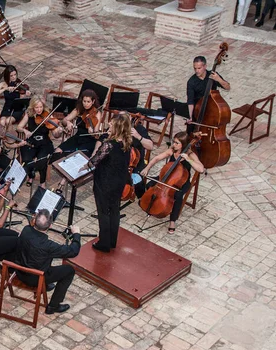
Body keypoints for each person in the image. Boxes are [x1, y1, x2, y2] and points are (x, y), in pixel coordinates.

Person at [78, 113, 132, 252]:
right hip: (119, 181)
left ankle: (104, 243)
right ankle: (112, 241)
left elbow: (94, 161)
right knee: (114, 210)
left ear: (117, 128)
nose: (109, 125)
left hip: (105, 182)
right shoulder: (126, 143)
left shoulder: (108, 145)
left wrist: (83, 166)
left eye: (111, 124)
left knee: (103, 212)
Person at [16, 209, 80, 314]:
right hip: (35, 278)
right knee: (69, 270)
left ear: (34, 220)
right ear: (50, 226)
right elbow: (73, 251)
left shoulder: (26, 229)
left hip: (20, 272)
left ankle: (48, 284)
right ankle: (53, 306)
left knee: (41, 261)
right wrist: (76, 235)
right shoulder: (48, 246)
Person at [140, 131, 205, 234]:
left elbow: (201, 169)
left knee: (178, 196)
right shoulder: (172, 150)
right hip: (166, 177)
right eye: (173, 142)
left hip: (181, 181)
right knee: (149, 185)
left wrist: (188, 160)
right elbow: (157, 158)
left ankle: (172, 221)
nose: (173, 144)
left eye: (176, 143)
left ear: (183, 144)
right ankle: (155, 204)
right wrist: (147, 168)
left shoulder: (190, 154)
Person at [52, 89, 104, 192]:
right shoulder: (78, 109)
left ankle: (61, 185)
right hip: (78, 137)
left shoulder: (97, 113)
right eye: (84, 101)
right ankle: (64, 172)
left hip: (89, 141)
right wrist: (68, 123)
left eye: (88, 102)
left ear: (93, 102)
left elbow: (96, 133)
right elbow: (64, 120)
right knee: (57, 152)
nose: (86, 104)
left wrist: (92, 130)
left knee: (75, 159)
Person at [16, 97, 61, 188]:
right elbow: (18, 127)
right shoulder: (28, 115)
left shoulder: (48, 115)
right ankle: (31, 175)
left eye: (41, 107)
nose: (39, 109)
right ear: (32, 107)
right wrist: (25, 131)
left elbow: (55, 135)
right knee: (26, 158)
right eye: (36, 107)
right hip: (32, 141)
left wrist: (58, 131)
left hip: (45, 142)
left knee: (42, 160)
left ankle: (42, 182)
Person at [186, 56, 231, 121]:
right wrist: (189, 116)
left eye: (199, 68)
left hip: (212, 109)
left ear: (205, 66)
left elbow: (227, 87)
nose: (196, 71)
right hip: (197, 111)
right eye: (195, 68)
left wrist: (219, 79)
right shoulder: (191, 82)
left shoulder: (213, 75)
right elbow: (190, 101)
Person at [0, 65, 31, 131]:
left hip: (17, 108)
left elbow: (21, 101)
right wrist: (5, 89)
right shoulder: (3, 84)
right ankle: (2, 138)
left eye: (15, 75)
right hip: (7, 108)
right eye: (11, 76)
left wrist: (25, 94)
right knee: (2, 122)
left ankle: (10, 138)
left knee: (8, 121)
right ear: (7, 76)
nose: (14, 77)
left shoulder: (20, 84)